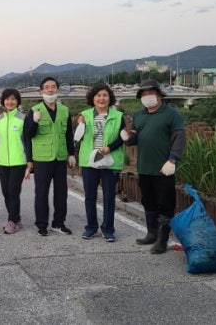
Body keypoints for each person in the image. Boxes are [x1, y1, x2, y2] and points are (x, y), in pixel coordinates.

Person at [123, 79, 185, 254]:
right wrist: (127, 138)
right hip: (144, 167)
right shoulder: (139, 115)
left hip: (164, 168)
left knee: (165, 204)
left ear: (159, 95)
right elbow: (135, 137)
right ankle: (151, 233)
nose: (147, 97)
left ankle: (162, 240)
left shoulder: (171, 114)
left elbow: (179, 138)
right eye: (144, 94)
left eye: (151, 93)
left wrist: (172, 159)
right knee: (148, 201)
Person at [24, 77, 76, 237]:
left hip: (60, 158)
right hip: (42, 158)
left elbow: (68, 134)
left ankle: (59, 223)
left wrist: (71, 154)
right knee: (41, 192)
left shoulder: (64, 110)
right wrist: (34, 122)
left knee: (61, 192)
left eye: (53, 87)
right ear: (41, 91)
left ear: (58, 90)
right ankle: (42, 225)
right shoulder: (35, 110)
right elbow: (27, 135)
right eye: (47, 87)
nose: (50, 90)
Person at [74, 83, 126, 242]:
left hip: (110, 161)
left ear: (110, 98)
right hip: (89, 161)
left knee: (109, 196)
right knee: (90, 196)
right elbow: (78, 138)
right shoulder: (85, 114)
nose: (102, 98)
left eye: (105, 95)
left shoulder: (119, 116)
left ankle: (108, 229)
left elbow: (122, 137)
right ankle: (91, 227)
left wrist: (110, 148)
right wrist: (79, 124)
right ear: (93, 98)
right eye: (98, 95)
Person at [0, 88, 27, 234]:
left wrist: (30, 162)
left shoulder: (23, 118)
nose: (10, 102)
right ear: (3, 101)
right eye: (7, 99)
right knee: (6, 192)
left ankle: (12, 221)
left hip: (19, 161)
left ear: (17, 101)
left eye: (13, 99)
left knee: (13, 191)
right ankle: (16, 218)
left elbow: (27, 140)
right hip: (2, 161)